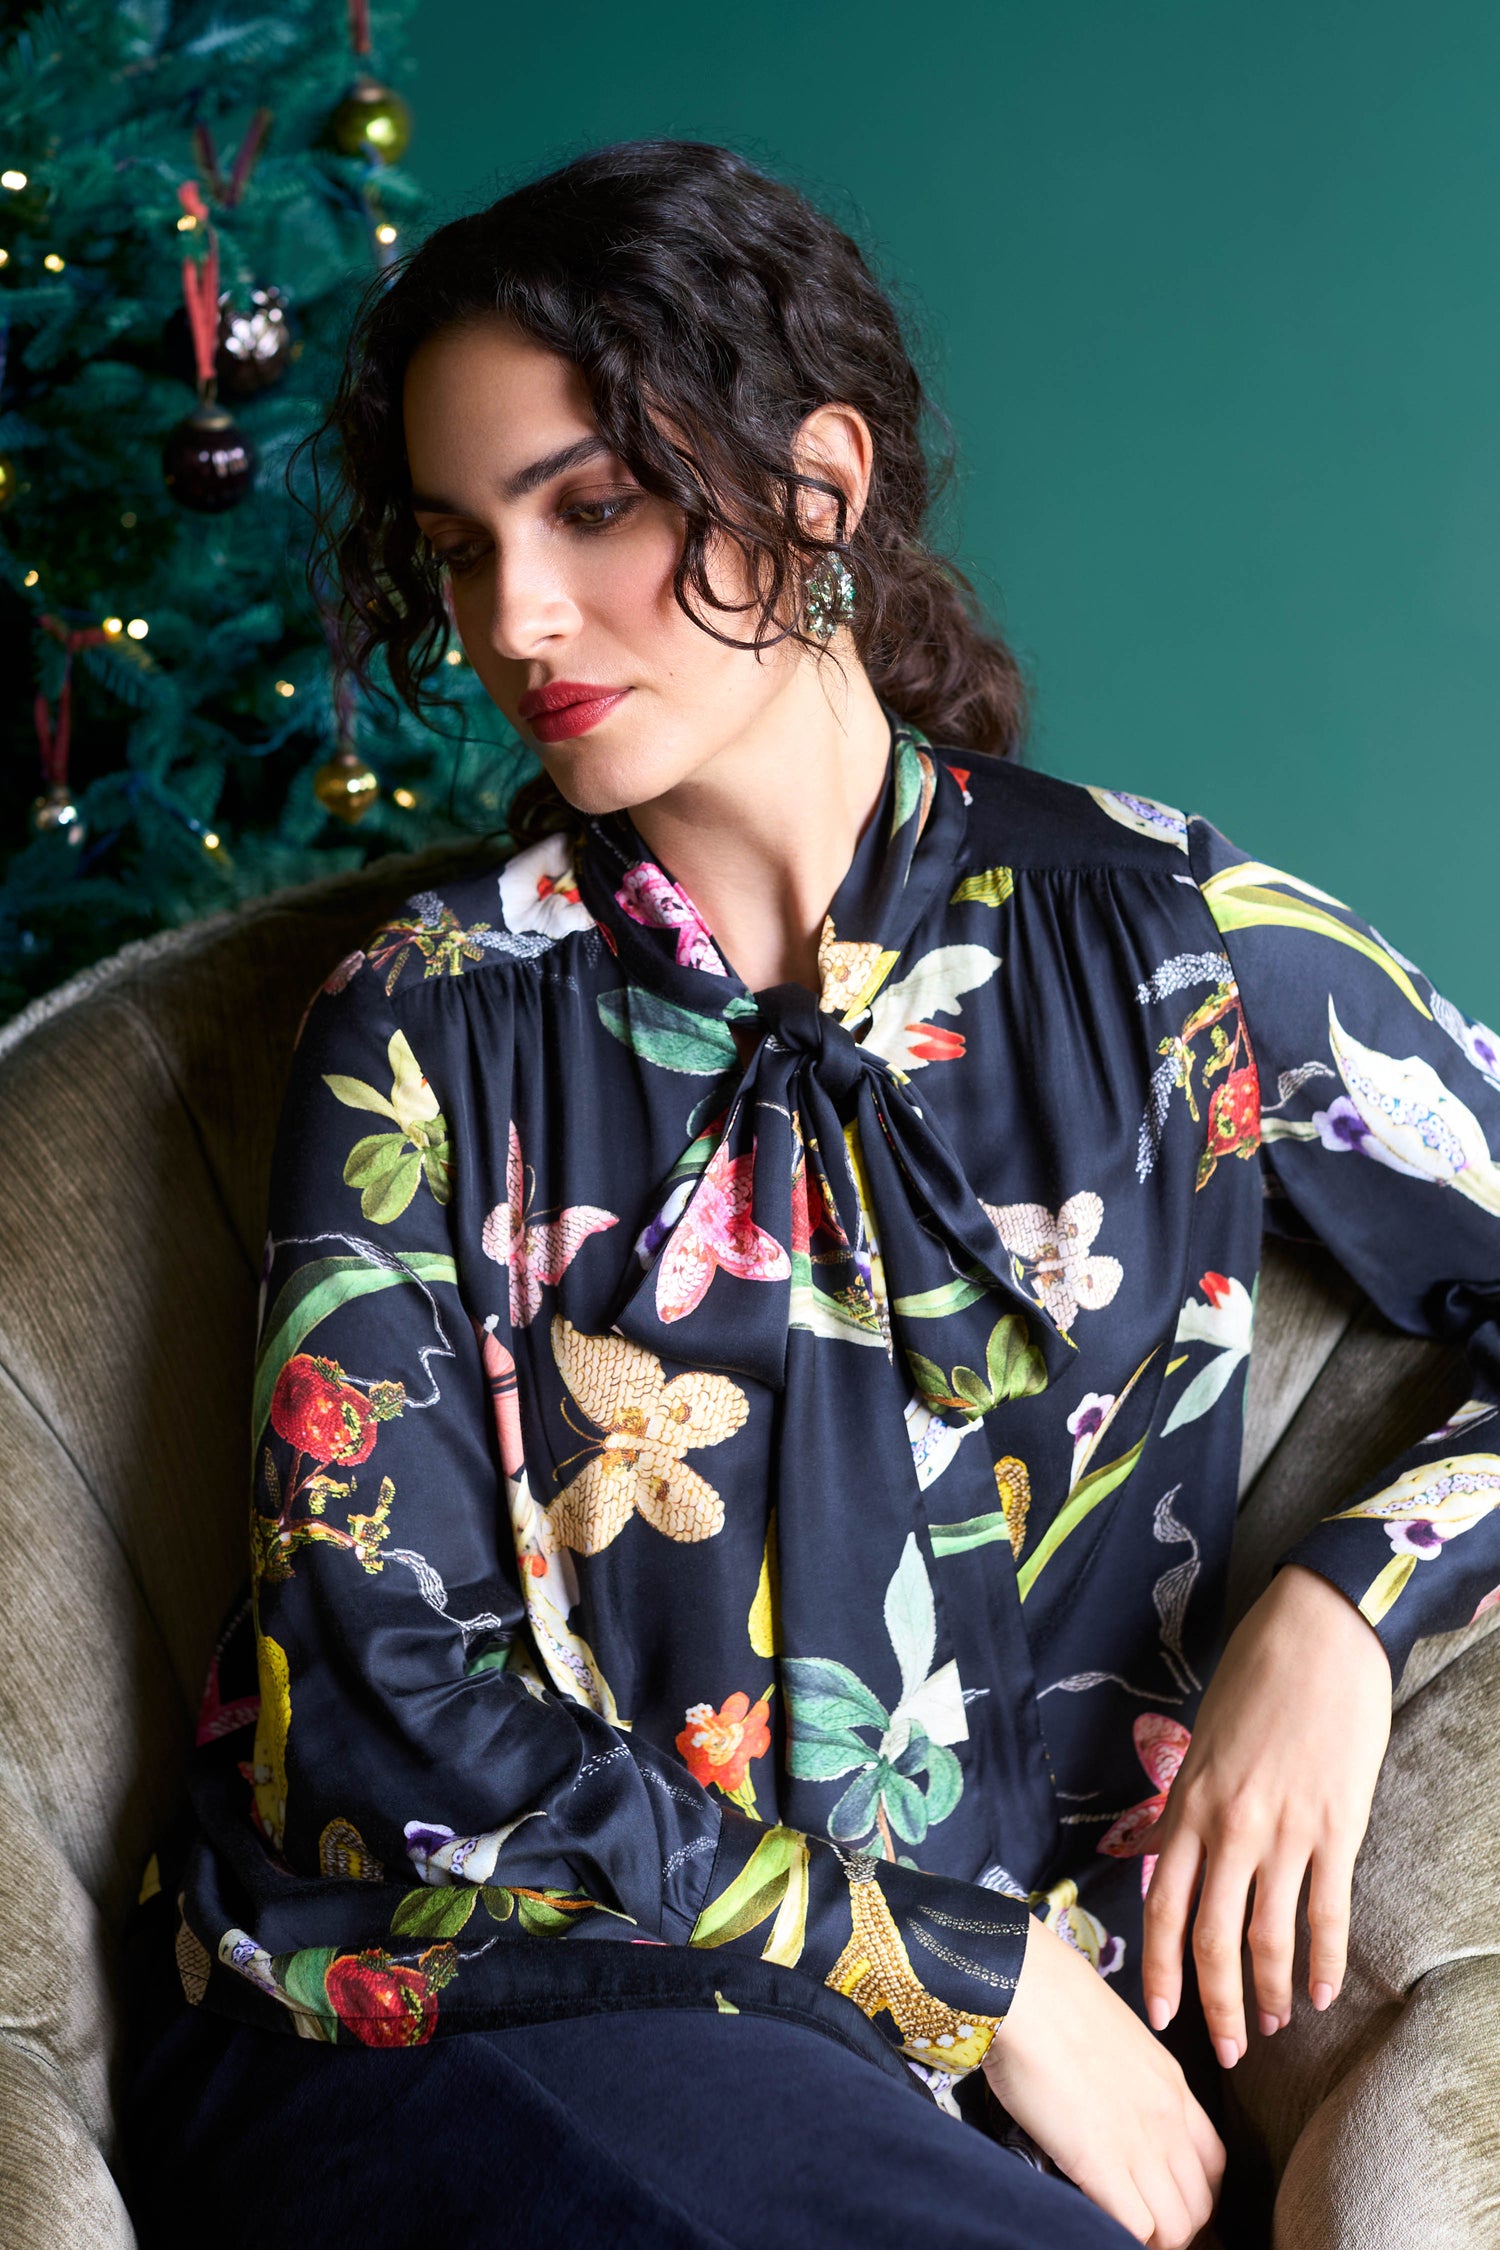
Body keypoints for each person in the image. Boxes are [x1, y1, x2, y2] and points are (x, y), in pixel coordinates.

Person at [117, 139, 1500, 2250]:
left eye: (591, 506)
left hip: (942, 2105)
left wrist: (1336, 1618)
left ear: (821, 486)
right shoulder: (427, 1029)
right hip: (459, 2008)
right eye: (461, 544)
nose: (518, 619)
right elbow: (385, 1715)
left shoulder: (1167, 942)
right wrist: (981, 1972)